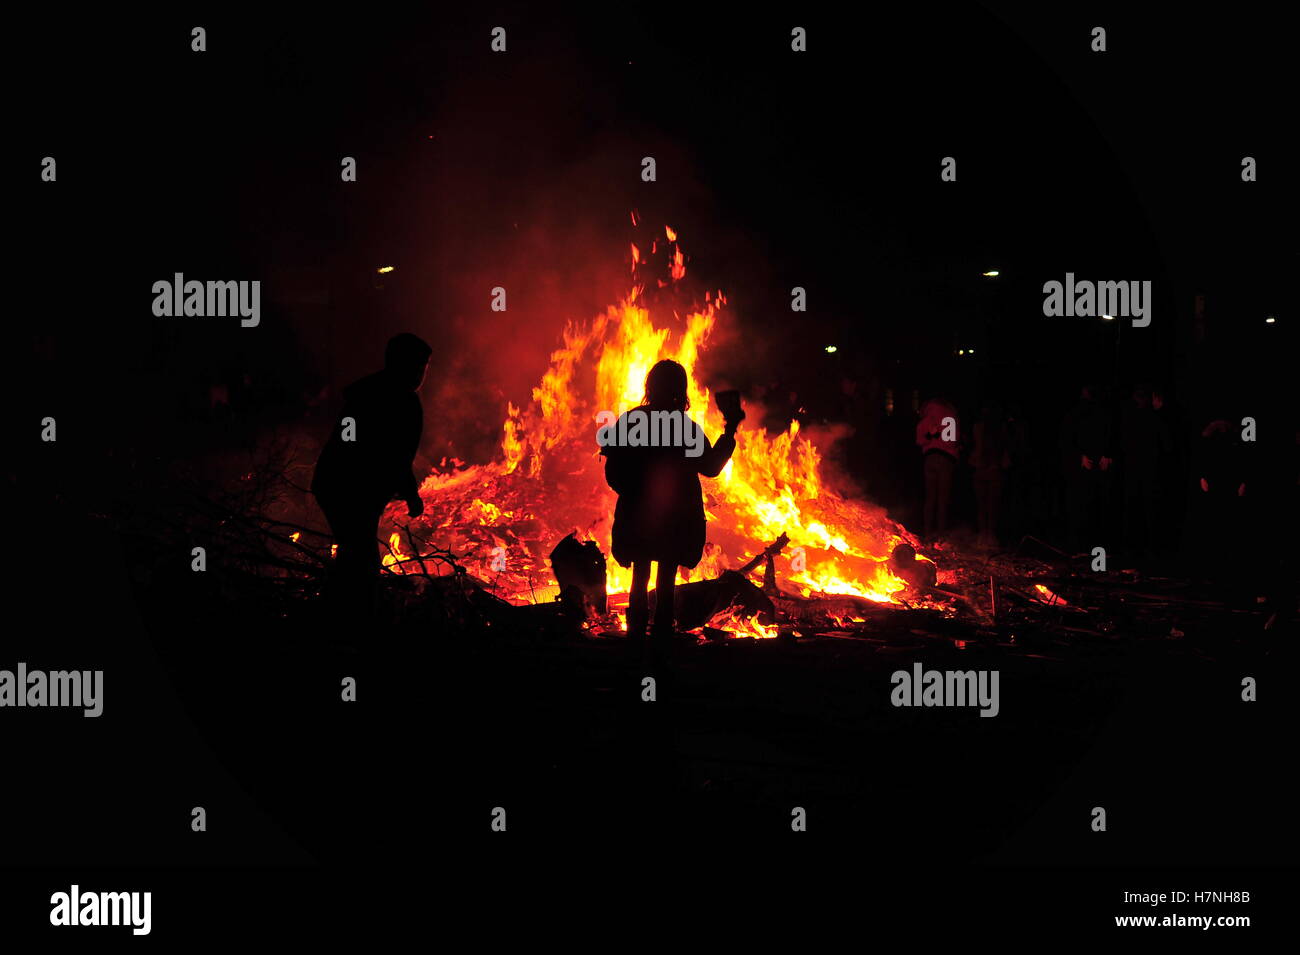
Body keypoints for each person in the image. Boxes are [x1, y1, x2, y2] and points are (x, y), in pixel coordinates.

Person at [601, 360, 741, 646]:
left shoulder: (632, 421)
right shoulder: (683, 428)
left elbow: (613, 469)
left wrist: (631, 495)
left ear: (650, 387)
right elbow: (712, 466)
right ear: (681, 390)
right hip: (677, 516)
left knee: (640, 574)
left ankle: (636, 638)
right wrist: (729, 431)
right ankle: (662, 637)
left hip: (639, 514)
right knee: (666, 577)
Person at [311, 333, 432, 621]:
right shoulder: (398, 399)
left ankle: (334, 613)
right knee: (361, 558)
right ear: (399, 365)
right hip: (348, 487)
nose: (420, 375)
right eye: (417, 366)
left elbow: (390, 455)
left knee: (354, 553)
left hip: (336, 484)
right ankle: (352, 622)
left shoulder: (372, 392)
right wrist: (411, 494)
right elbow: (393, 454)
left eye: (424, 368)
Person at [1059, 382, 1115, 553]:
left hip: (1098, 464)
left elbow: (1112, 434)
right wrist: (1079, 457)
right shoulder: (1077, 413)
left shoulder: (1104, 412)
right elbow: (1067, 439)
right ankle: (1081, 546)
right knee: (1082, 506)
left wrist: (1108, 454)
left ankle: (1098, 548)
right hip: (1083, 466)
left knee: (1098, 506)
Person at [916, 396, 959, 541]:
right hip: (945, 459)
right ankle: (941, 534)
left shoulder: (926, 419)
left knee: (930, 497)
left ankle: (928, 533)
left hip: (929, 458)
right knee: (943, 498)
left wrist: (931, 438)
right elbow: (952, 442)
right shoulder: (951, 418)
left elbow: (920, 440)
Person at [970, 401, 1012, 549]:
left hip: (984, 468)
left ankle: (985, 535)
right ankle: (989, 535)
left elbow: (976, 446)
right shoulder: (1001, 428)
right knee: (991, 505)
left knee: (984, 505)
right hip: (992, 469)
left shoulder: (979, 427)